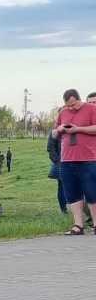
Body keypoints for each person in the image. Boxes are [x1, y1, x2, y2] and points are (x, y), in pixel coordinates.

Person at [53, 89, 96, 235]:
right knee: (72, 193)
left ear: (79, 99)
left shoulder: (91, 109)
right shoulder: (63, 112)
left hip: (87, 159)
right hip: (67, 159)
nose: (70, 108)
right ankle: (78, 225)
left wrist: (78, 129)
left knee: (91, 192)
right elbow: (53, 134)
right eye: (68, 105)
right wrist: (59, 130)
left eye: (73, 105)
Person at [47, 127, 67, 213]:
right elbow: (51, 146)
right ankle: (63, 208)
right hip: (61, 162)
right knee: (62, 185)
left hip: (74, 160)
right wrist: (57, 160)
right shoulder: (55, 129)